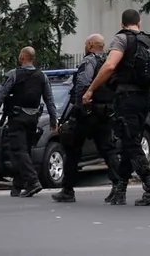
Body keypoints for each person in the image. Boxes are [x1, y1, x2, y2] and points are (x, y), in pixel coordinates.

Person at [83, 9, 150, 206]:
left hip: (127, 98)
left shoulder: (122, 39)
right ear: (140, 23)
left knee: (130, 143)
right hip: (146, 98)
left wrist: (90, 90)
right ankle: (120, 189)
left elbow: (110, 66)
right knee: (131, 142)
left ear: (122, 25)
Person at [52, 34, 122, 204]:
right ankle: (119, 185)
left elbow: (83, 84)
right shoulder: (108, 63)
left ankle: (68, 190)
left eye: (85, 43)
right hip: (104, 113)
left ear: (90, 45)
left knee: (72, 149)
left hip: (86, 114)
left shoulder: (89, 61)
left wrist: (80, 107)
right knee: (108, 150)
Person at [0, 47, 58, 198]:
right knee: (24, 151)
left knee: (18, 151)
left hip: (17, 118)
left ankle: (33, 182)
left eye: (20, 55)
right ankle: (17, 187)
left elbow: (0, 95)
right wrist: (53, 119)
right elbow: (49, 100)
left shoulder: (14, 74)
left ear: (23, 57)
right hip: (33, 120)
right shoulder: (42, 76)